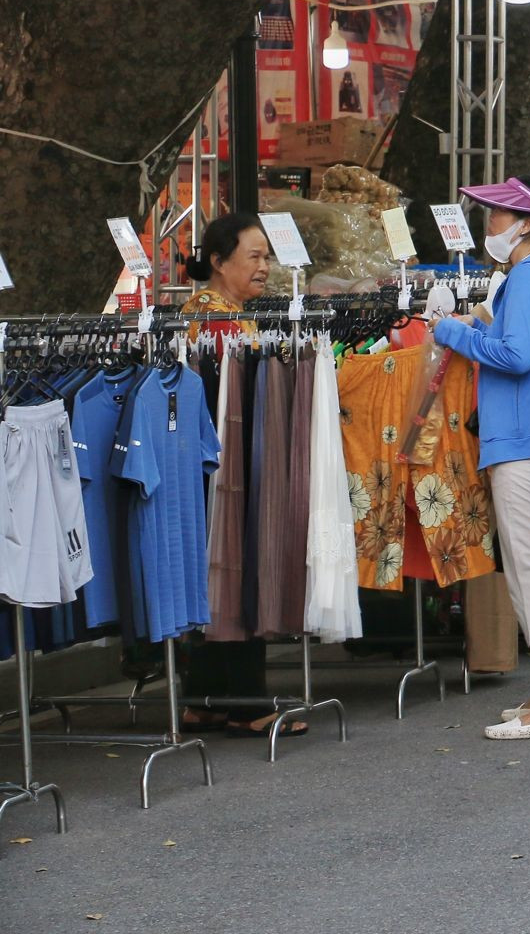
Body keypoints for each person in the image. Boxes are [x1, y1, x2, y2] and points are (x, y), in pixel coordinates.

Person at [431, 175, 530, 741]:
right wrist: (484, 327)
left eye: (497, 215)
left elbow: (518, 357)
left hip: (524, 447)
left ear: (527, 223)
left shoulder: (526, 278)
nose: (488, 225)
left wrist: (452, 331)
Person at [175, 214, 307, 739]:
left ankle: (204, 701)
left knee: (220, 573)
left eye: (267, 257)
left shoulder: (225, 313)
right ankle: (249, 703)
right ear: (218, 261)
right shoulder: (214, 318)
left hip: (211, 456)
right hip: (221, 458)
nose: (264, 266)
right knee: (237, 567)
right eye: (253, 256)